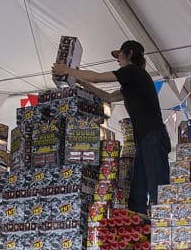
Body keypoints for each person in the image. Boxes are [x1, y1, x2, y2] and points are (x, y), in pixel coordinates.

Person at [52, 39, 171, 215]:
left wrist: (67, 70)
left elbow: (98, 78)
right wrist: (82, 83)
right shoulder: (133, 82)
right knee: (138, 192)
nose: (118, 60)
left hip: (152, 136)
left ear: (130, 54)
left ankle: (165, 226)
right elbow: (108, 96)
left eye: (120, 56)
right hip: (144, 139)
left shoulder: (133, 72)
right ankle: (137, 230)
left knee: (157, 188)